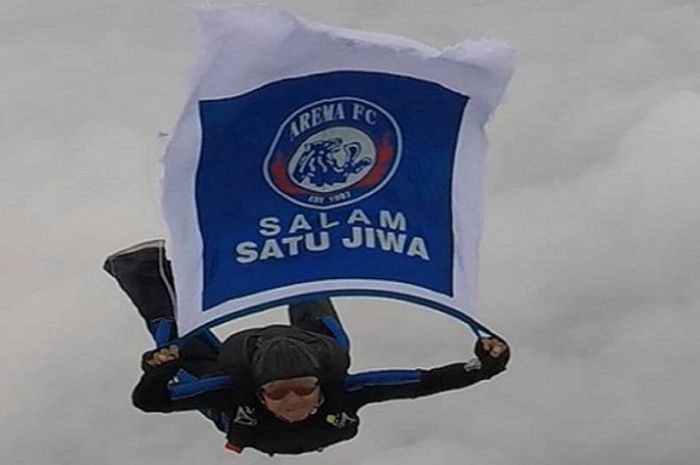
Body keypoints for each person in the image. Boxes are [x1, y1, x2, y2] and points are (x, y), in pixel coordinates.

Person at [104, 239, 510, 456]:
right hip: (257, 359)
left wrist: (157, 371)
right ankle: (299, 246)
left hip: (273, 370)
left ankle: (141, 268)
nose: (293, 400)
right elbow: (423, 382)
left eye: (299, 388)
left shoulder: (233, 391)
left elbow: (152, 401)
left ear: (318, 385)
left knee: (179, 351)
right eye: (280, 392)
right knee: (317, 303)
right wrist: (485, 365)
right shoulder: (330, 386)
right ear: (262, 393)